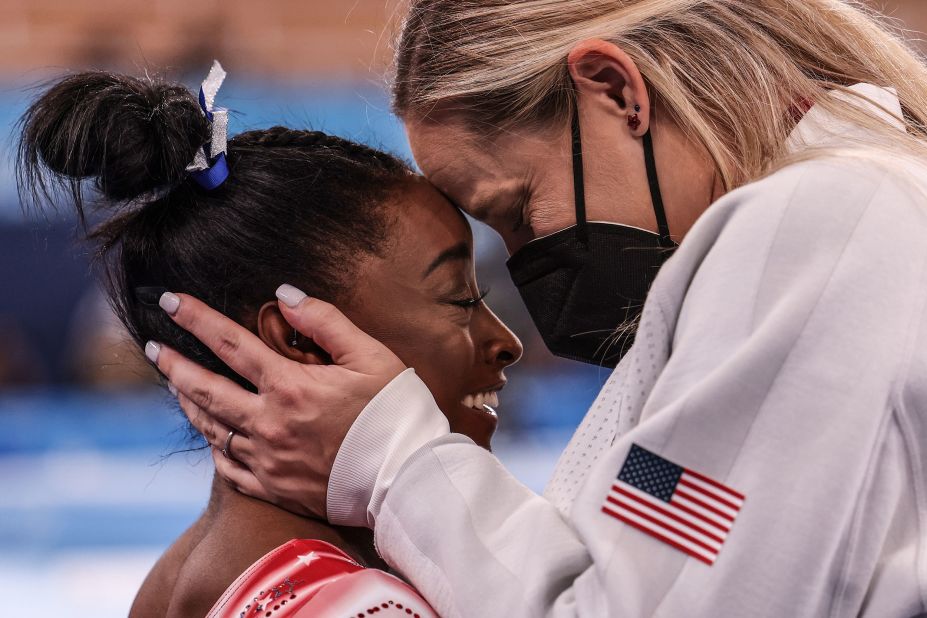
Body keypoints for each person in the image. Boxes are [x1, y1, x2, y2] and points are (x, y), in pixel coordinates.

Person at [144, 1, 926, 615]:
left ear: (618, 92)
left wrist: (389, 457)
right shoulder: (824, 228)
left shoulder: (819, 218)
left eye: (518, 208)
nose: (516, 320)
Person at [19, 64, 524, 617]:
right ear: (299, 339)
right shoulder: (355, 605)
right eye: (458, 300)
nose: (506, 342)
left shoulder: (182, 572)